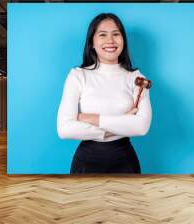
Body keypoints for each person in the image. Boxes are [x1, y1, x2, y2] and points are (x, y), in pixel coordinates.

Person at [57, 13, 152, 174]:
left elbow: (141, 127)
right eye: (102, 34)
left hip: (125, 162)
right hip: (86, 162)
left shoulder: (137, 77)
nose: (110, 40)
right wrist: (122, 123)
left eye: (116, 34)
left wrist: (92, 118)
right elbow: (64, 129)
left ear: (123, 40)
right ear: (92, 42)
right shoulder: (78, 75)